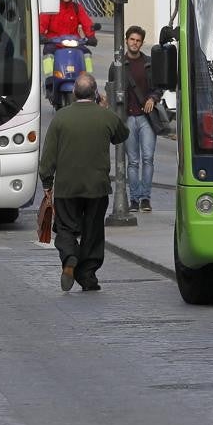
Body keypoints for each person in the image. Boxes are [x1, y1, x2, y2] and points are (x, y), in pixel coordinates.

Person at [38, 72, 128, 292]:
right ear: (96, 93)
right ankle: (87, 276)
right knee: (93, 231)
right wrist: (106, 108)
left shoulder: (60, 117)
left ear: (73, 92)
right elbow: (122, 135)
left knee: (66, 228)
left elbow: (48, 156)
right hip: (96, 186)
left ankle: (69, 258)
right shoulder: (105, 116)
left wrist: (48, 182)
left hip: (67, 187)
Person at [123, 25, 162, 212]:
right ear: (126, 40)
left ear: (142, 43)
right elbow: (112, 90)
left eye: (138, 40)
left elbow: (159, 87)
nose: (135, 43)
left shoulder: (149, 63)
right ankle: (134, 200)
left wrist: (153, 98)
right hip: (128, 118)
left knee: (148, 159)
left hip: (147, 119)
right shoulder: (118, 64)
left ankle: (145, 198)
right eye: (132, 39)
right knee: (133, 161)